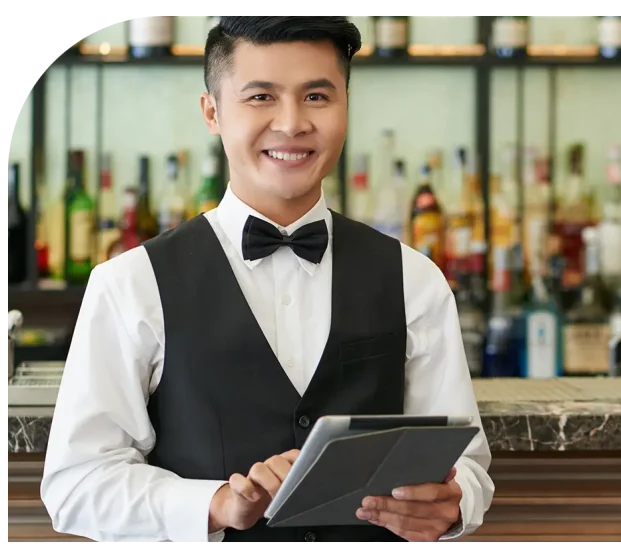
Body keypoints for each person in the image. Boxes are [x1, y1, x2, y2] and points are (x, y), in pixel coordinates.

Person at [40, 14, 494, 545]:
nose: (292, 123)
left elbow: (468, 463)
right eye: (260, 97)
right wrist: (212, 503)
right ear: (212, 111)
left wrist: (455, 502)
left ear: (346, 106)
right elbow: (76, 484)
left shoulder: (414, 279)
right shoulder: (130, 283)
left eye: (317, 97)